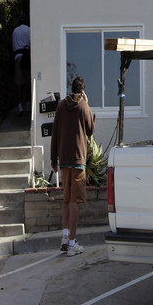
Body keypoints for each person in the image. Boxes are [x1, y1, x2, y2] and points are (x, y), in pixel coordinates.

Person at [51, 76, 95, 255]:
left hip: (64, 160)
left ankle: (64, 235)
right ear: (82, 91)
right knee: (75, 200)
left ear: (71, 89)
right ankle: (72, 243)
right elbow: (91, 129)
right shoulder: (83, 105)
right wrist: (88, 104)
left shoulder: (61, 105)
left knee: (67, 199)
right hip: (78, 160)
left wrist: (54, 160)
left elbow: (55, 133)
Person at [12, 12, 31, 115]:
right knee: (28, 82)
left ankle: (20, 107)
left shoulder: (15, 31)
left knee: (20, 84)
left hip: (17, 57)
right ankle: (28, 106)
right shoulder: (28, 29)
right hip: (26, 56)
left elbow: (13, 45)